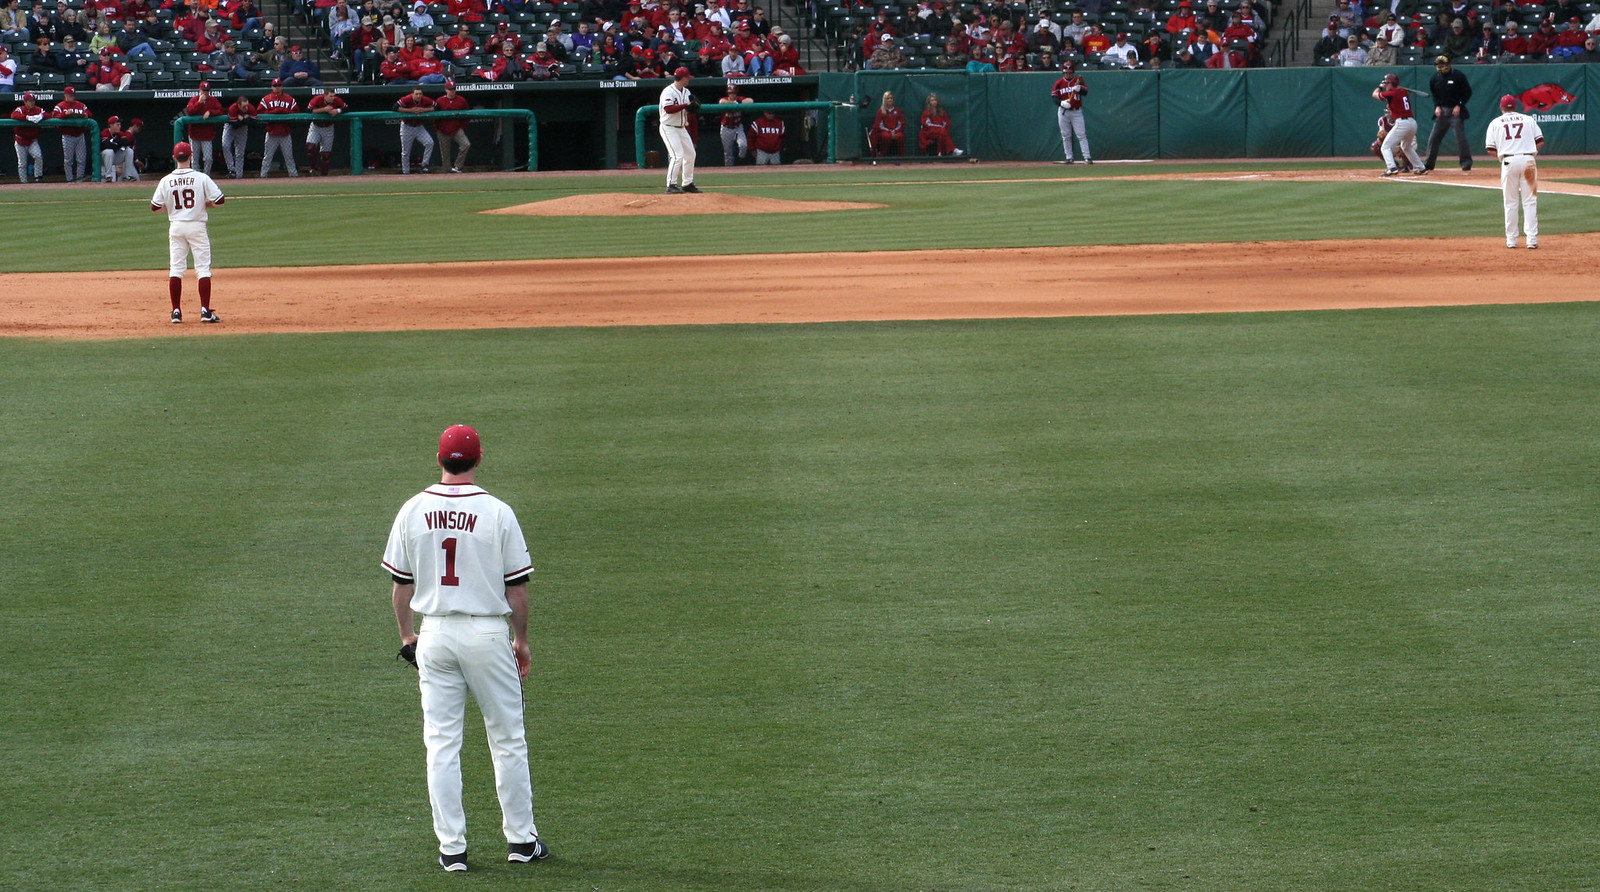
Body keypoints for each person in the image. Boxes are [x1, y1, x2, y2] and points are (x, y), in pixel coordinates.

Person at [383, 424, 551, 874]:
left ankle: (452, 849)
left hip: (434, 633)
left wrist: (407, 637)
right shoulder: (497, 511)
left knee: (441, 743)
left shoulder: (412, 509)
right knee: (507, 739)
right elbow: (517, 588)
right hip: (486, 634)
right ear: (479, 459)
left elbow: (401, 586)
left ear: (439, 459)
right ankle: (521, 841)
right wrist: (522, 640)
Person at [150, 142, 225, 324]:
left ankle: (176, 312)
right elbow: (220, 200)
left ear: (174, 157)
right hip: (197, 226)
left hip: (176, 226)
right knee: (203, 269)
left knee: (176, 269)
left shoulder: (166, 180)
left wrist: (171, 209)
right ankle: (205, 311)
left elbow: (155, 207)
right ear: (191, 156)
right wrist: (206, 205)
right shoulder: (201, 177)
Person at [1485, 94, 1542, 249]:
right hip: (1528, 161)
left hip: (1508, 161)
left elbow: (1490, 148)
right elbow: (1540, 141)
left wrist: (1504, 157)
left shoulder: (1495, 122)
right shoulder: (1528, 119)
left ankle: (1511, 240)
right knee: (1530, 201)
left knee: (1510, 202)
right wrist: (1529, 154)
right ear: (1515, 106)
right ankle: (1532, 240)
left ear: (1501, 107)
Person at [1423, 56, 1472, 173]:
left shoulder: (1458, 75)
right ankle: (1428, 164)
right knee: (1434, 138)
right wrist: (1437, 106)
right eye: (1438, 65)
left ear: (1449, 64)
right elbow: (1434, 94)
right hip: (1442, 112)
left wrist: (1459, 105)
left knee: (1460, 138)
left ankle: (1466, 163)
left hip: (1455, 112)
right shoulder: (1435, 78)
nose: (1440, 67)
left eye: (1442, 64)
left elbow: (1467, 92)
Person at [1373, 72, 1424, 177]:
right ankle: (1421, 168)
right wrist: (1391, 86)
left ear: (1392, 83)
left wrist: (1380, 87)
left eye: (1387, 83)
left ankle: (1391, 168)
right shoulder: (1403, 92)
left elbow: (1374, 94)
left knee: (1385, 147)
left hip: (1402, 123)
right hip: (1412, 123)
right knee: (1406, 147)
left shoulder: (1391, 94)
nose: (1386, 85)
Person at [658, 66, 700, 193]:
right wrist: (685, 105)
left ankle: (687, 183)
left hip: (681, 127)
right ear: (682, 78)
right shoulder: (668, 91)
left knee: (691, 154)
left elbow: (689, 109)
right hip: (668, 127)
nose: (689, 79)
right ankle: (671, 185)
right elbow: (668, 109)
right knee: (677, 156)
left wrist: (692, 107)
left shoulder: (686, 92)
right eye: (687, 77)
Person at [1051, 59, 1090, 164]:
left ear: (1073, 72)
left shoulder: (1078, 80)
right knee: (1065, 135)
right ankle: (1069, 157)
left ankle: (1087, 157)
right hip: (1063, 111)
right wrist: (1062, 103)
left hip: (1076, 111)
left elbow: (1085, 92)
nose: (1068, 74)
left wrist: (1079, 89)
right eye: (1066, 72)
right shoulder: (1059, 83)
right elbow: (1054, 97)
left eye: (1070, 72)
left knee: (1081, 135)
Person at [258, 79, 300, 177]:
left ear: (282, 86)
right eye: (275, 86)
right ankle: (263, 176)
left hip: (285, 132)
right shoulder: (266, 99)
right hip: (271, 132)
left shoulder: (289, 99)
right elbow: (259, 113)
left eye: (279, 85)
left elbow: (296, 113)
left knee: (289, 156)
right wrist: (274, 112)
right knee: (267, 156)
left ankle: (293, 175)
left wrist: (284, 111)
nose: (277, 88)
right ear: (272, 87)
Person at [52, 86, 92, 182]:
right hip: (67, 135)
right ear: (65, 95)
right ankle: (69, 179)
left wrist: (86, 115)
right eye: (70, 95)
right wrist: (65, 114)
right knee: (68, 160)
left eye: (73, 95)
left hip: (80, 134)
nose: (72, 97)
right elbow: (54, 116)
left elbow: (89, 113)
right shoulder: (60, 106)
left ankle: (79, 179)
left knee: (81, 159)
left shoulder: (80, 105)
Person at [184, 81, 226, 175]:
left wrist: (210, 112)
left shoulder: (213, 100)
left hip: (207, 134)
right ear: (199, 90)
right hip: (194, 133)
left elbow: (220, 111)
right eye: (203, 90)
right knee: (194, 158)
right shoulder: (194, 99)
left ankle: (206, 175)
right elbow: (190, 111)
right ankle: (195, 176)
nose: (205, 92)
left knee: (208, 159)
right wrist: (199, 102)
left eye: (207, 90)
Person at [305, 85, 346, 176]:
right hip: (316, 127)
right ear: (325, 95)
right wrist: (324, 109)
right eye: (330, 96)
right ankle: (314, 169)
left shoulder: (337, 100)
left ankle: (324, 176)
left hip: (328, 128)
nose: (333, 98)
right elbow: (308, 110)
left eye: (333, 96)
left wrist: (338, 111)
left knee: (326, 155)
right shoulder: (318, 99)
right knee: (310, 148)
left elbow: (346, 107)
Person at [396, 85, 436, 174]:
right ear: (412, 94)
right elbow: (395, 107)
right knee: (406, 152)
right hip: (406, 126)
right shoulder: (407, 99)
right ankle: (406, 171)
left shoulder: (425, 99)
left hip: (418, 127)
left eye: (420, 94)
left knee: (430, 143)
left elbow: (437, 106)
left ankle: (424, 165)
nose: (418, 96)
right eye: (416, 94)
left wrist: (424, 110)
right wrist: (411, 110)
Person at [433, 79, 470, 173]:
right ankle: (448, 172)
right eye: (450, 89)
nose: (452, 91)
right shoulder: (440, 100)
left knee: (466, 144)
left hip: (456, 129)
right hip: (443, 130)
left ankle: (458, 166)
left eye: (453, 89)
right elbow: (434, 116)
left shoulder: (461, 100)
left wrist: (462, 127)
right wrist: (437, 128)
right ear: (446, 90)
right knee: (445, 153)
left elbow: (467, 115)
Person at [9, 92, 45, 182]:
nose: (32, 103)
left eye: (33, 101)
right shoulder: (20, 109)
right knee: (22, 163)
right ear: (25, 102)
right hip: (20, 140)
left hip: (32, 141)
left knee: (38, 156)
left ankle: (38, 177)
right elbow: (13, 115)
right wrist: (27, 117)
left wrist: (41, 116)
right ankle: (24, 181)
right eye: (29, 101)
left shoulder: (38, 110)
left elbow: (48, 115)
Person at [222, 92, 255, 178]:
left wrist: (243, 120)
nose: (246, 108)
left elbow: (254, 122)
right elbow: (234, 125)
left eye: (247, 105)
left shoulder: (250, 108)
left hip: (243, 128)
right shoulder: (233, 108)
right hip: (230, 127)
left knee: (240, 152)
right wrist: (244, 120)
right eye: (244, 106)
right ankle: (232, 170)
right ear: (239, 105)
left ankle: (239, 175)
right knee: (225, 145)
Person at [718, 82, 751, 166]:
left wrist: (738, 102)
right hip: (726, 128)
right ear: (728, 93)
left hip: (738, 127)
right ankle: (729, 170)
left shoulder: (739, 99)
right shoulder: (725, 99)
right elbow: (721, 102)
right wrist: (734, 104)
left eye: (734, 93)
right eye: (730, 93)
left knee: (743, 145)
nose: (732, 95)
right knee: (728, 153)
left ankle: (741, 160)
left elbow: (750, 100)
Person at [918, 92, 959, 157]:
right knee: (942, 131)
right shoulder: (926, 112)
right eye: (932, 100)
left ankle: (940, 153)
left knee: (942, 133)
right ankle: (953, 149)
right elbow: (926, 125)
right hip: (928, 132)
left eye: (935, 100)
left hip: (940, 132)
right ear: (929, 102)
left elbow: (947, 123)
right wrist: (939, 127)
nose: (934, 102)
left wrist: (941, 128)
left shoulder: (942, 112)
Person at [868, 90, 904, 157]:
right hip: (884, 132)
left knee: (900, 136)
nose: (890, 100)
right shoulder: (880, 111)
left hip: (896, 131)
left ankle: (901, 156)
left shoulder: (898, 111)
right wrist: (889, 132)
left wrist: (895, 131)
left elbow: (901, 124)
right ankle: (882, 155)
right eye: (888, 98)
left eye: (891, 98)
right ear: (885, 100)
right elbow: (879, 125)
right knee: (886, 136)